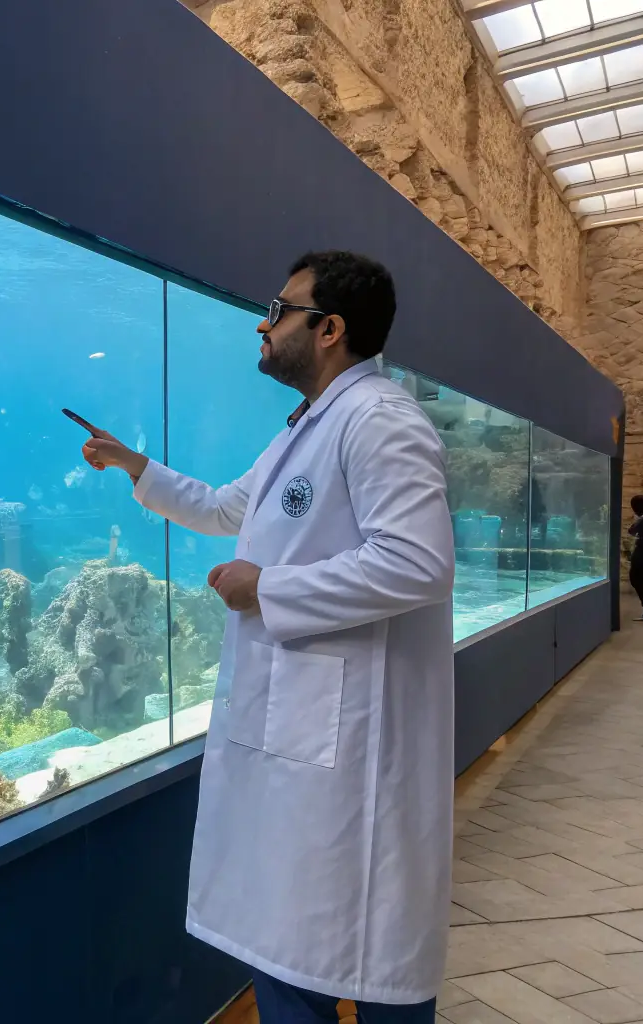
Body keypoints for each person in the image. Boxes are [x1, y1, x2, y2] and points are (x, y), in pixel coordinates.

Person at [81, 252, 455, 1024]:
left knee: (355, 958)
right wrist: (134, 466)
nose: (262, 321)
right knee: (292, 952)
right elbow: (224, 508)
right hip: (303, 741)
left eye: (279, 309)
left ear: (329, 329)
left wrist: (267, 589)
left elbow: (416, 565)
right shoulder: (303, 431)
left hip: (350, 749)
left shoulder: (378, 420)